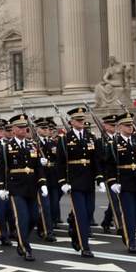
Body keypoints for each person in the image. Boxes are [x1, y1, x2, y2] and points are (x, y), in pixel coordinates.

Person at [0, 114, 46, 262]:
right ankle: (25, 248)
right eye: (20, 128)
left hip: (31, 187)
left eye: (25, 127)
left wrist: (42, 183)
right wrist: (0, 187)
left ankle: (21, 238)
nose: (23, 130)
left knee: (34, 218)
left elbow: (37, 167)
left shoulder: (31, 145)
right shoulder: (7, 147)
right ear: (13, 130)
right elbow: (0, 168)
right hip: (16, 187)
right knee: (22, 219)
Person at [56, 106, 104, 258]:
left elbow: (96, 160)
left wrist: (100, 178)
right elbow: (60, 162)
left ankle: (75, 231)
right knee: (82, 215)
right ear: (71, 122)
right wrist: (63, 181)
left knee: (89, 211)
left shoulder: (91, 137)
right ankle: (85, 247)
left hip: (89, 180)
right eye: (78, 120)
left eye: (82, 119)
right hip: (74, 182)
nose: (81, 122)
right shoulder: (65, 139)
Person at [103, 112, 136, 254]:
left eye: (131, 125)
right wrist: (112, 182)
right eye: (127, 125)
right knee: (129, 214)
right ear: (120, 127)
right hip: (123, 182)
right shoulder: (114, 144)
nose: (130, 127)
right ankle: (132, 242)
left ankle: (127, 231)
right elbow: (109, 165)